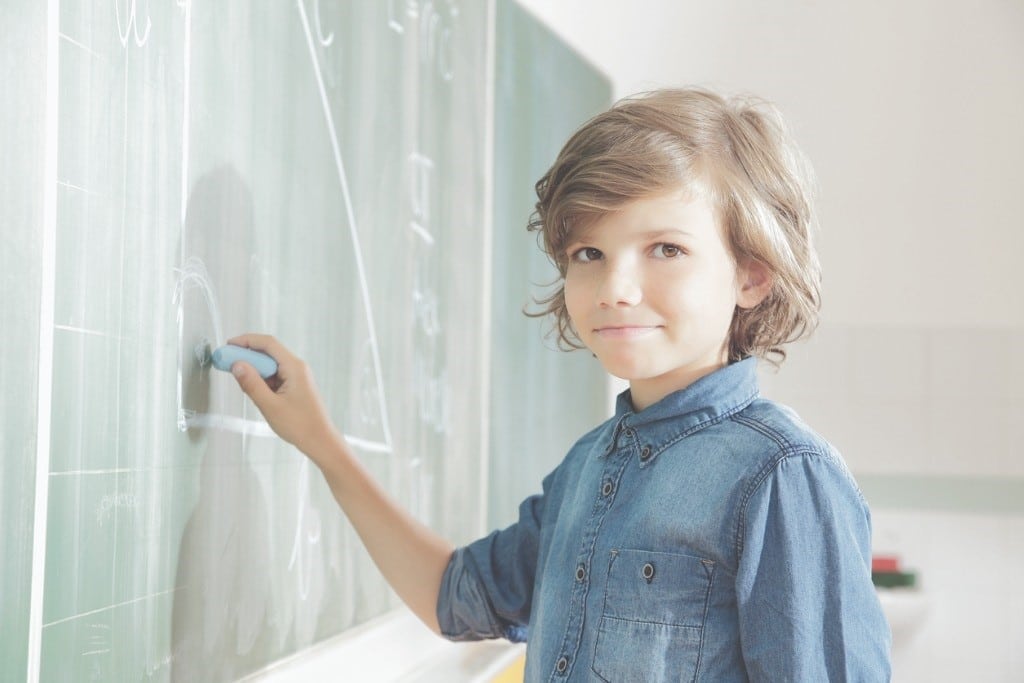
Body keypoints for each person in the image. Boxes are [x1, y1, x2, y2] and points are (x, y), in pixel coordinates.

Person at [227, 88, 892, 681]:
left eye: (665, 248)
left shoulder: (782, 476)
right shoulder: (589, 466)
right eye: (588, 254)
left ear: (751, 274)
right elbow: (454, 596)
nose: (616, 289)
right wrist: (322, 443)